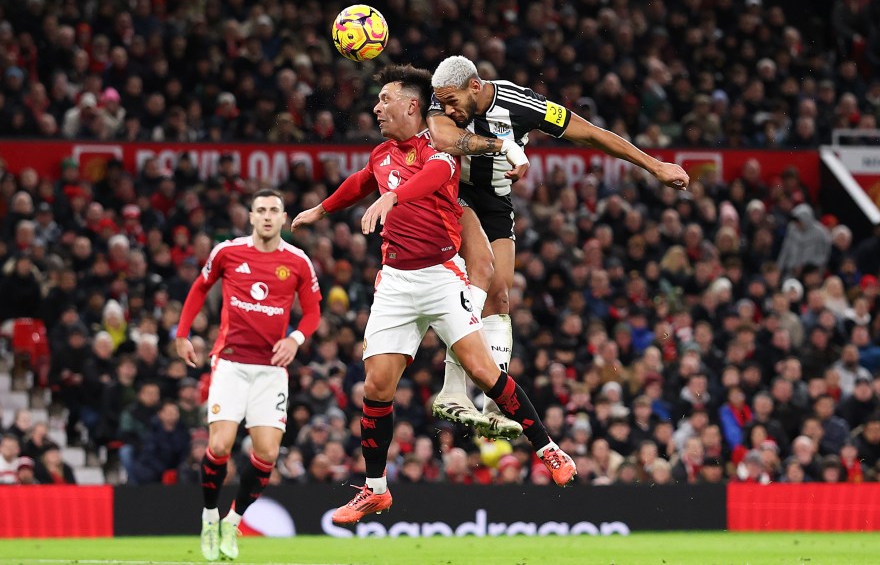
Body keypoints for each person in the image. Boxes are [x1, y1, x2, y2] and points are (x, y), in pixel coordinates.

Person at [292, 64, 576, 525]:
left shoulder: (437, 144)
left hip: (443, 277)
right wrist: (320, 209)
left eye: (384, 99)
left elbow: (427, 179)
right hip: (396, 283)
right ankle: (375, 489)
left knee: (484, 372)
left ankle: (548, 448)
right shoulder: (382, 153)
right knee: (376, 387)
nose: (376, 107)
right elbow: (362, 182)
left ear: (410, 104)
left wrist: (394, 198)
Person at [425, 55, 690, 437]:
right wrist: (504, 147)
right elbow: (442, 136)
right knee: (479, 276)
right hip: (453, 195)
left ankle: (495, 403)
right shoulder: (441, 102)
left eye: (452, 102)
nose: (446, 109)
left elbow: (592, 134)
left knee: (499, 295)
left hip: (496, 202)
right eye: (442, 103)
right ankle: (453, 391)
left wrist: (655, 165)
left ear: (475, 87)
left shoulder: (521, 103)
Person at [175, 189, 322, 561]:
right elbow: (199, 287)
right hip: (231, 363)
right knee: (221, 445)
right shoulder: (228, 252)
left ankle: (233, 521)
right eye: (261, 210)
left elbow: (312, 312)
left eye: (274, 210)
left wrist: (296, 337)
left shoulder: (299, 261)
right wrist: (182, 334)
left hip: (272, 370)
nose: (268, 216)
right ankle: (210, 517)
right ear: (251, 217)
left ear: (284, 217)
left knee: (267, 452)